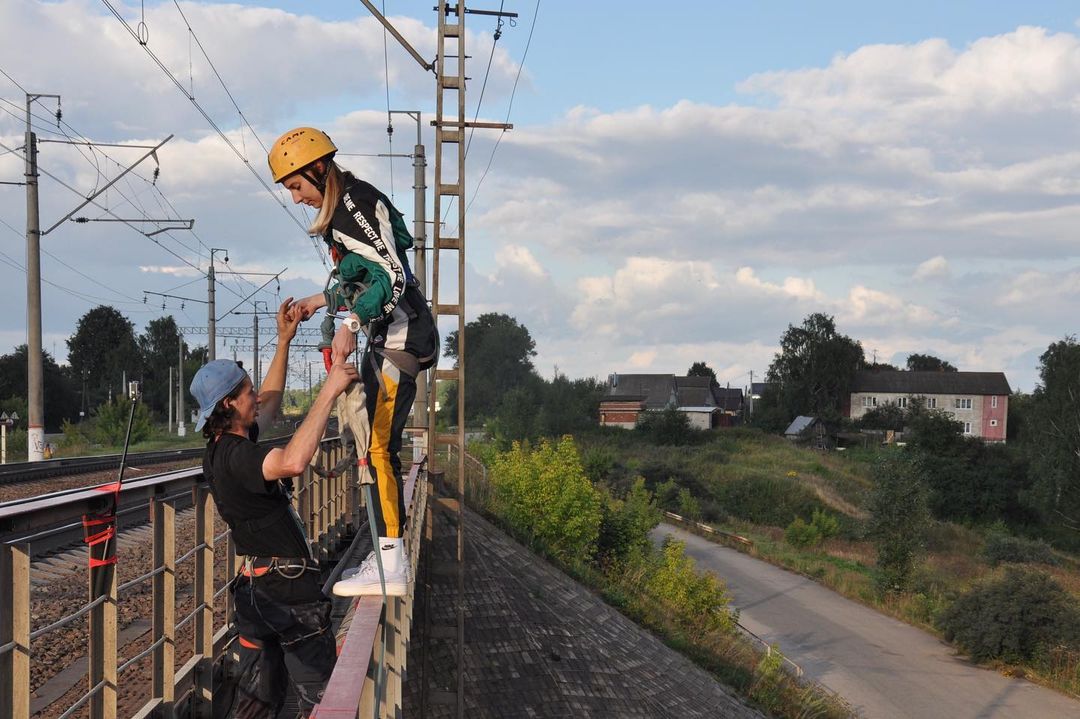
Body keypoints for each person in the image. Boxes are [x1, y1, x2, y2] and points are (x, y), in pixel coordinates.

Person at [268, 126, 437, 598]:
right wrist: (316, 303)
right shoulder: (339, 211)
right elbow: (359, 276)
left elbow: (393, 277)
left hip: (401, 333)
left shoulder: (354, 207)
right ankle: (385, 555)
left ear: (319, 169)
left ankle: (390, 565)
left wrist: (354, 323)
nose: (297, 198)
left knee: (379, 446)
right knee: (368, 442)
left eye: (297, 187)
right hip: (389, 334)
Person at [190, 299, 359, 718]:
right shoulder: (238, 457)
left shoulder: (221, 448)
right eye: (248, 392)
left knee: (257, 700)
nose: (256, 396)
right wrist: (330, 389)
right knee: (319, 696)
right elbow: (292, 462)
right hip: (286, 592)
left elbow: (271, 400)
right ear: (229, 404)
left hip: (257, 593)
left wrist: (284, 341)